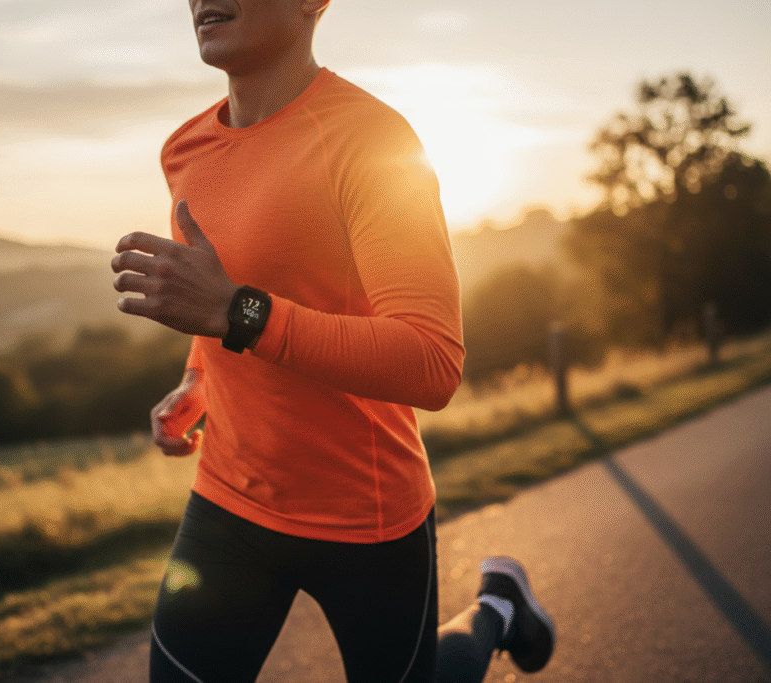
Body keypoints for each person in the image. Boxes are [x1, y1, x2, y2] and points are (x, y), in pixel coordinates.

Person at [110, 0, 555, 680]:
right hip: (230, 497)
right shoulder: (185, 149)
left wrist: (238, 314)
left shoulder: (372, 141)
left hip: (364, 517)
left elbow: (432, 361)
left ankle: (495, 606)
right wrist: (199, 379)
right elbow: (222, 299)